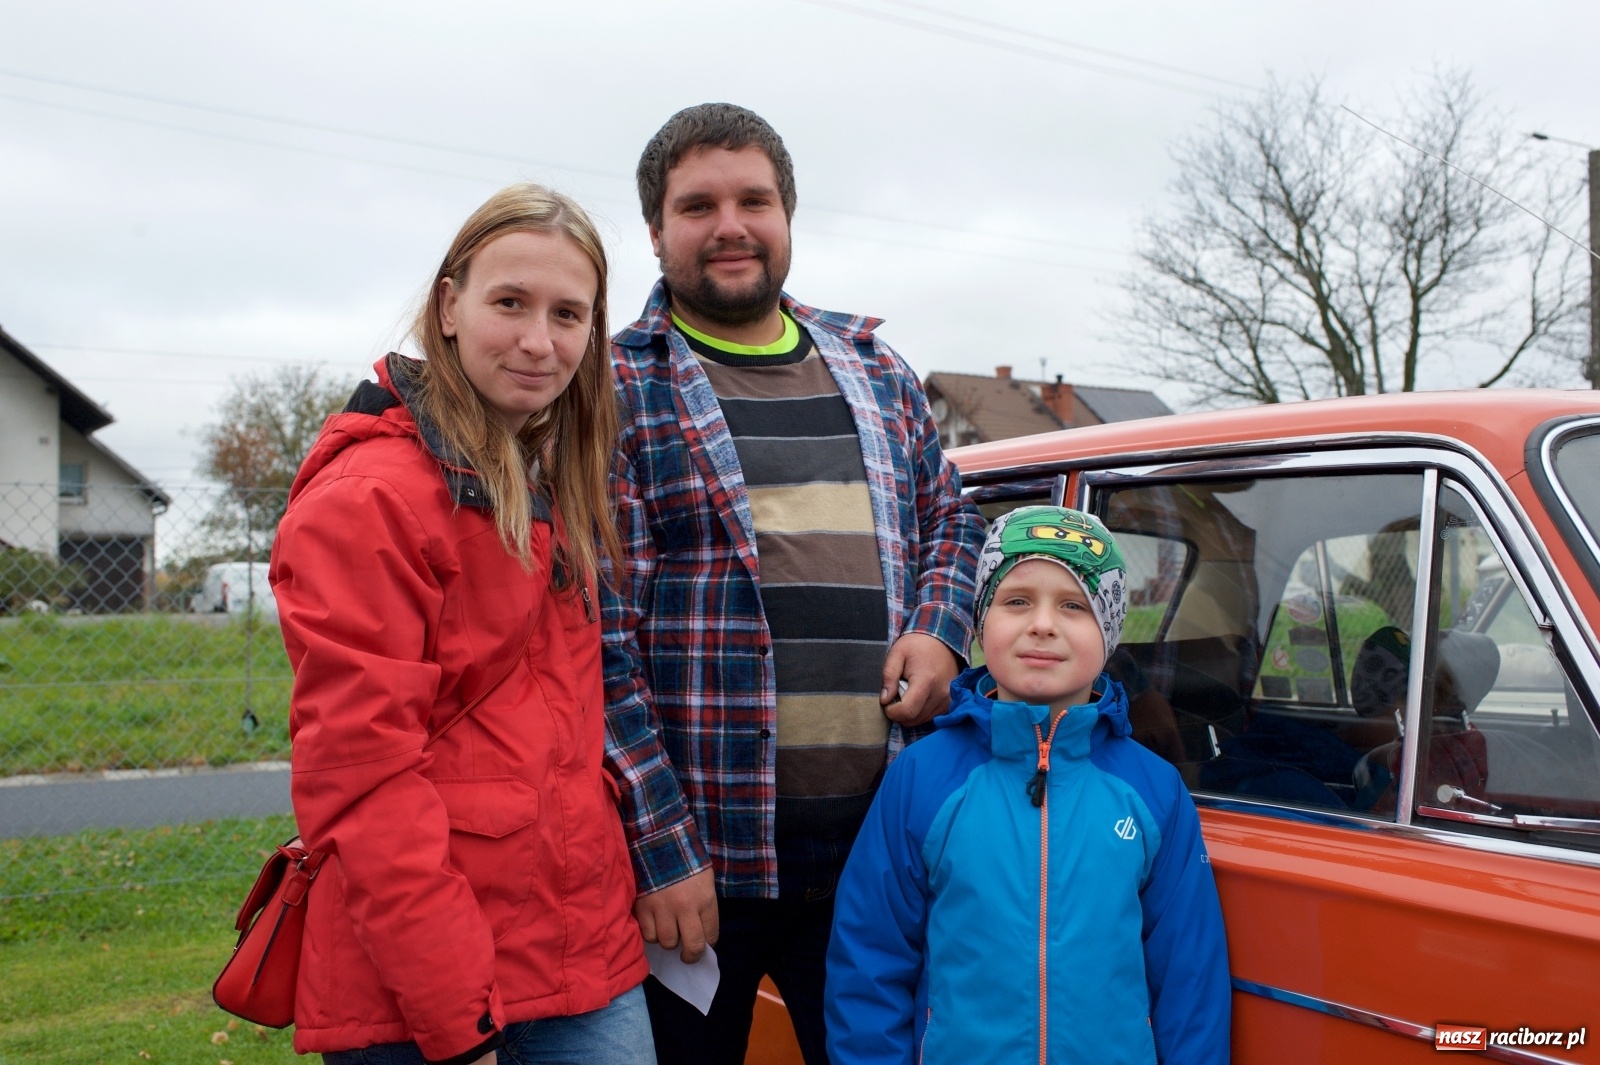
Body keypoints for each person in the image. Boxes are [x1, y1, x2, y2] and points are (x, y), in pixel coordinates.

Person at [601, 103, 985, 1065]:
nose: (730, 224)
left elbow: (953, 519)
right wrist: (660, 850)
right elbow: (595, 641)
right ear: (656, 230)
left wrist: (940, 631)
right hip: (699, 881)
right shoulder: (611, 391)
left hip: (878, 862)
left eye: (753, 199)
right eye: (698, 205)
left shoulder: (877, 369)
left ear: (787, 214)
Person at [270, 184, 653, 1065]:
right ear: (448, 306)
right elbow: (365, 782)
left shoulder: (554, 476)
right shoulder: (370, 498)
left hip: (579, 959)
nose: (538, 340)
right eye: (509, 303)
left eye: (568, 314)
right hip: (422, 988)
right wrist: (458, 1023)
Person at [826, 506, 1231, 1065]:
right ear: (982, 621)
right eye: (1016, 601)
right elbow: (869, 960)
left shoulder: (1154, 789)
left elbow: (1190, 977)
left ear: (1109, 633)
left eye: (1074, 606)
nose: (1042, 624)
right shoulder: (921, 778)